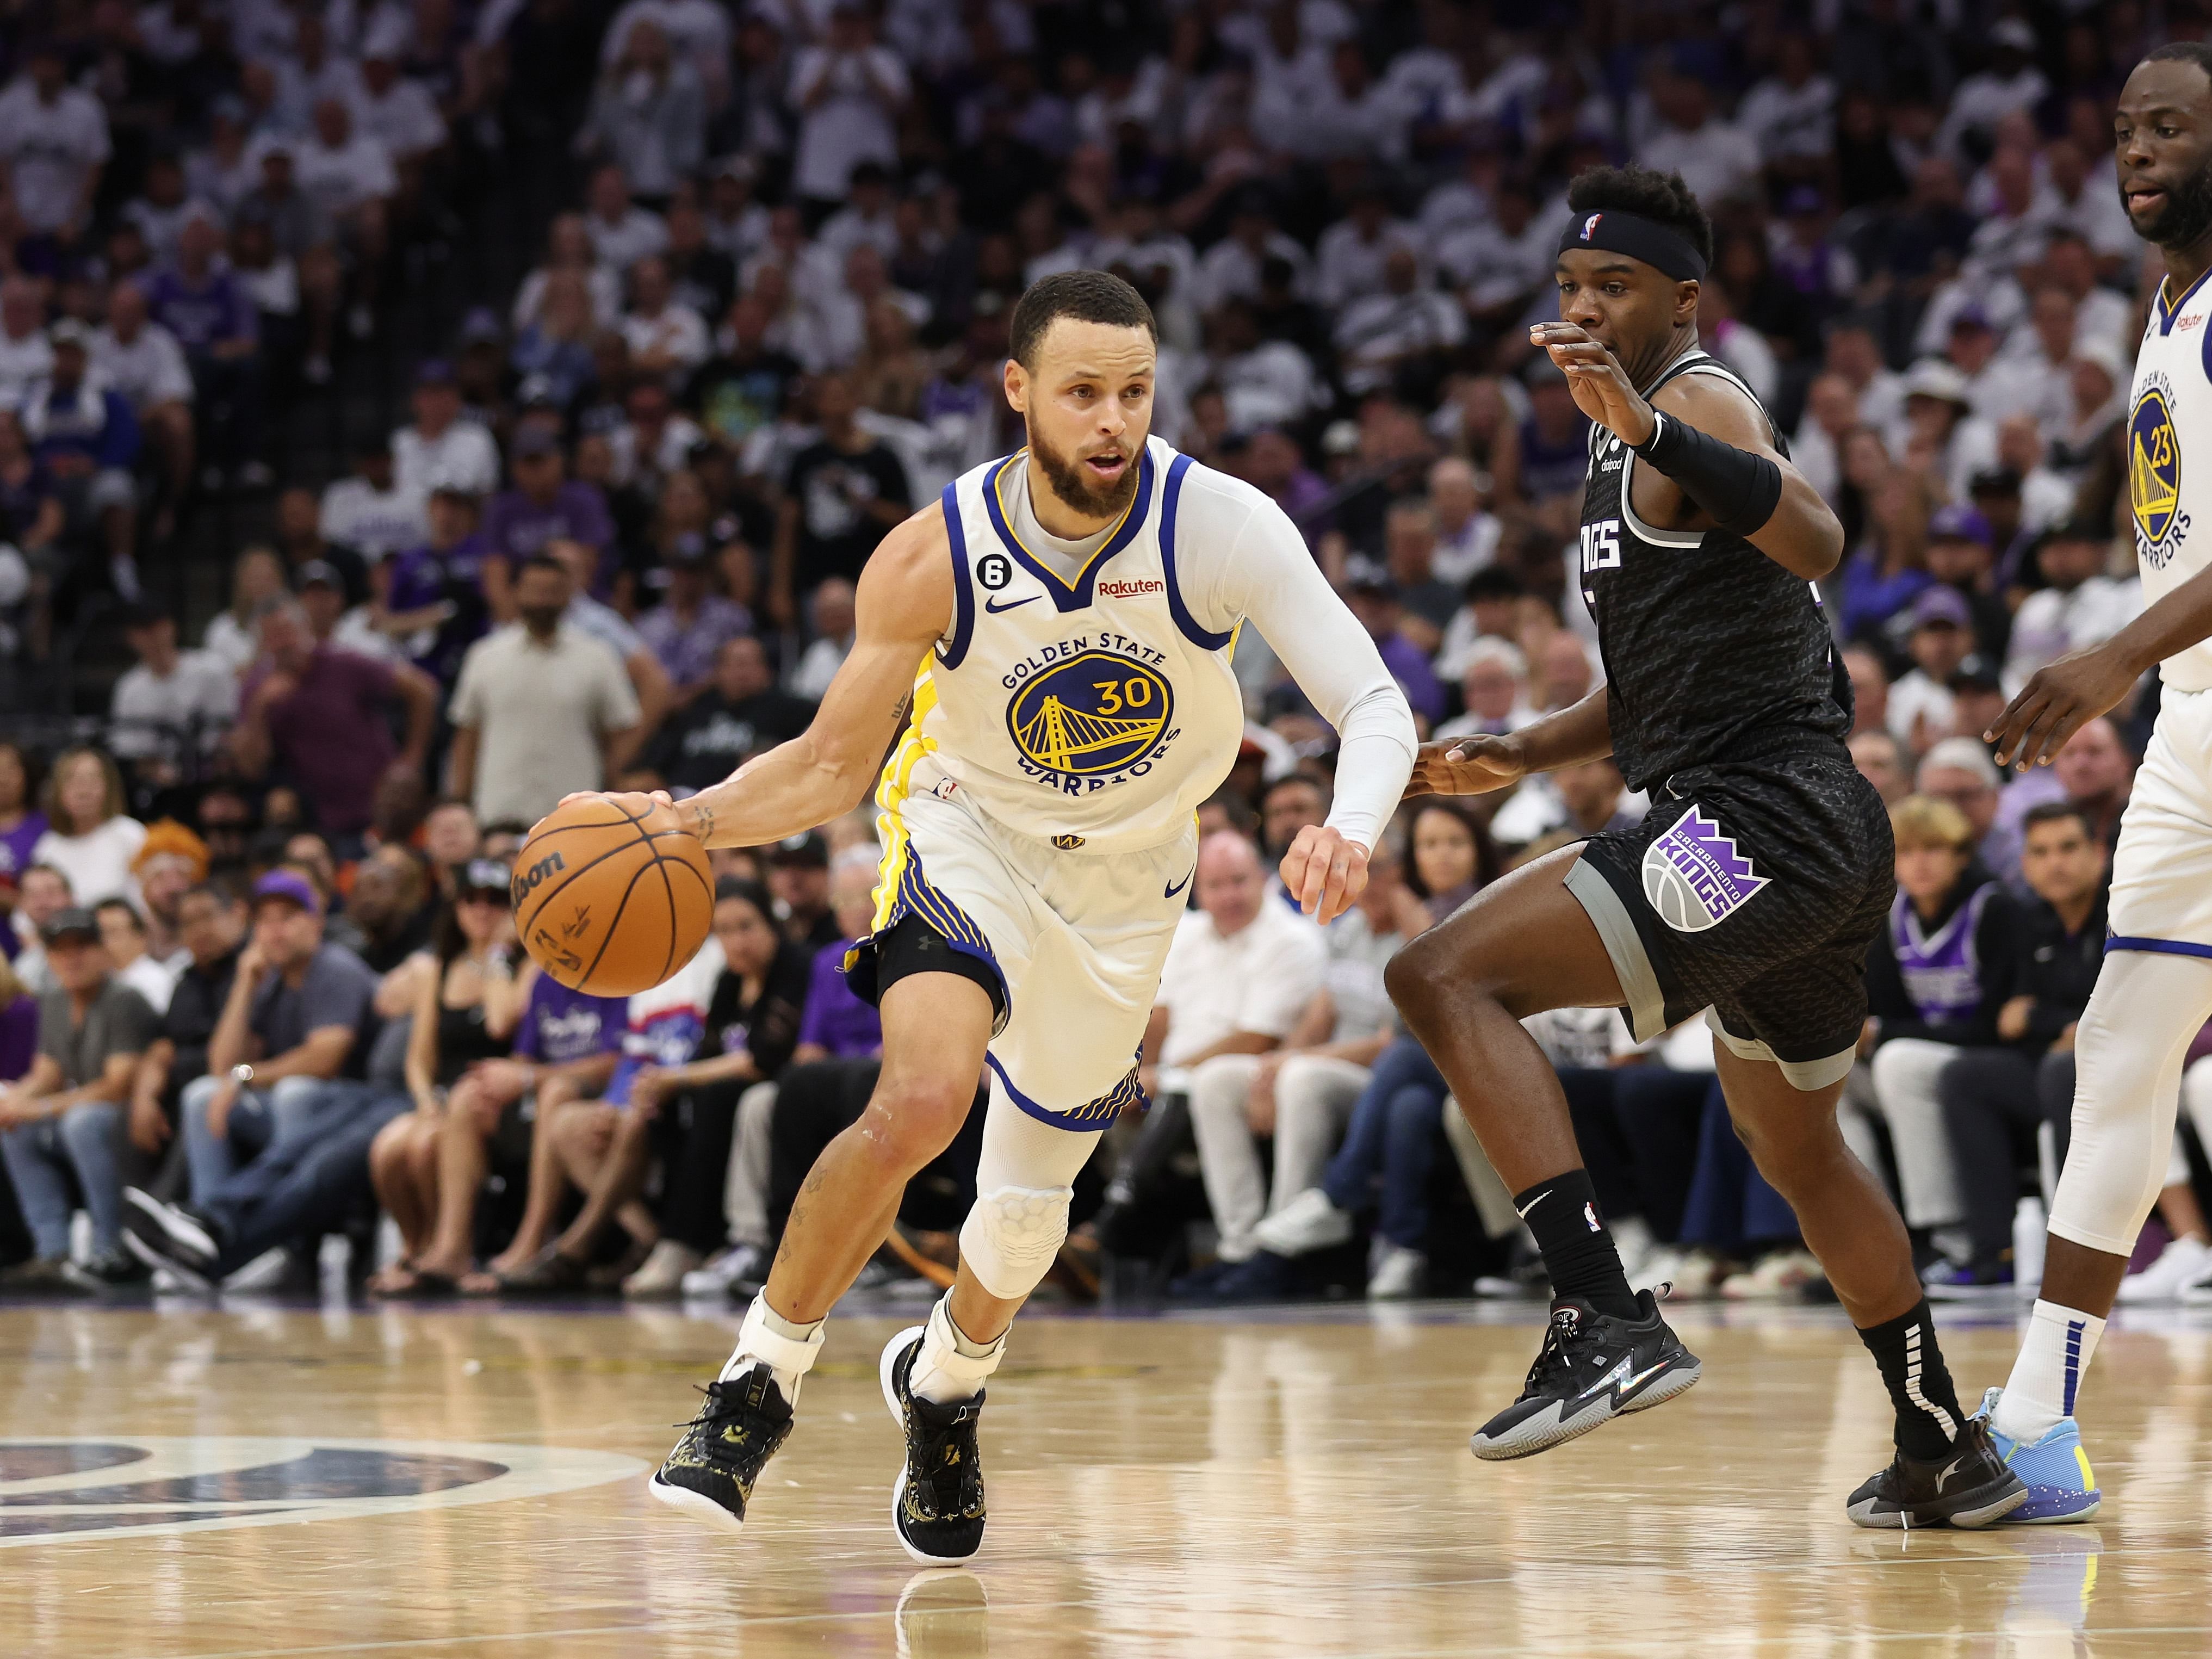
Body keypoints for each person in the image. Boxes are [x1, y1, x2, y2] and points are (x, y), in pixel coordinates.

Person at [617, 270, 1414, 1559]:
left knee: (1029, 1207)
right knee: (923, 1093)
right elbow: (828, 764)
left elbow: (1374, 706)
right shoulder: (935, 552)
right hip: (966, 830)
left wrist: (1352, 823)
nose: (1113, 419)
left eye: (1135, 391)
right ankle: (756, 1379)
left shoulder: (1217, 523)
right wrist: (686, 818)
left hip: (1133, 877)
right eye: (1083, 391)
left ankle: (946, 1383)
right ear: (1019, 392)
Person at [1386, 167, 2022, 1525]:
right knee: (1800, 1153)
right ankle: (1942, 1443)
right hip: (1807, 828)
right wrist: (1530, 747)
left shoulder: (1700, 400)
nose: (1583, 307)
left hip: (1761, 817)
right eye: (1568, 287)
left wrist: (1658, 432)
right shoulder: (1627, 439)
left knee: (1440, 976)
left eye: (1612, 287)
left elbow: (1819, 535)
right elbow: (1661, 678)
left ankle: (1599, 1311)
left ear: (1683, 297)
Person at [1970, 43, 2212, 1525]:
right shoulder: (2165, 306)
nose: (2137, 149)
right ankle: (2037, 1419)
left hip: (2176, 684)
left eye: (2172, 126)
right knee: (2119, 1053)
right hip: (2192, 720)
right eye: (2125, 128)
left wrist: (2105, 654)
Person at [363, 859, 531, 1295]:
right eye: (471, 899)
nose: (481, 910)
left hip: (492, 1097)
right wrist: (424, 1102)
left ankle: (449, 1248)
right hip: (440, 1095)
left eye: (495, 901)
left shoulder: (522, 964)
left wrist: (497, 953)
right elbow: (420, 1058)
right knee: (387, 1148)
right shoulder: (439, 968)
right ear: (455, 907)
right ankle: (414, 1248)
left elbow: (499, 1024)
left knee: (422, 1149)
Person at [183, 869, 378, 1201]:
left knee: (295, 1092)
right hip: (298, 1108)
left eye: (287, 918)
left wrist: (246, 1077)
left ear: (315, 921)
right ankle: (207, 1223)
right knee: (201, 1095)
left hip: (358, 1106)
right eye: (265, 921)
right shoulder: (269, 980)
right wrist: (244, 984)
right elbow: (223, 1066)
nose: (275, 931)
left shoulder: (335, 968)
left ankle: (287, 1232)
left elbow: (324, 1060)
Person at [0, 907, 154, 1290]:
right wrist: (14, 1103)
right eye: (60, 950)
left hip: (134, 1118)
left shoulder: (124, 999)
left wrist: (41, 1106)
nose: (72, 958)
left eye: (82, 947)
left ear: (103, 951)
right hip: (81, 1113)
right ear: (49, 958)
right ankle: (52, 1252)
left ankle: (110, 1248)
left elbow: (117, 1085)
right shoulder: (54, 1001)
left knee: (82, 1122)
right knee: (15, 1128)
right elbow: (47, 1074)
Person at [445, 555, 642, 825]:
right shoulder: (485, 656)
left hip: (575, 818)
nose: (542, 600)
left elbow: (621, 733)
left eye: (552, 592)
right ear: (517, 592)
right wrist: (460, 802)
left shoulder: (597, 656)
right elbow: (467, 735)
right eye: (534, 590)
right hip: (498, 813)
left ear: (567, 596)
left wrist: (614, 799)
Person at [32, 747, 145, 908]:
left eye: (93, 779)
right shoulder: (48, 847)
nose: (83, 790)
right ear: (58, 792)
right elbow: (26, 916)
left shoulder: (130, 834)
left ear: (109, 787)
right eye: (72, 780)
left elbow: (146, 904)